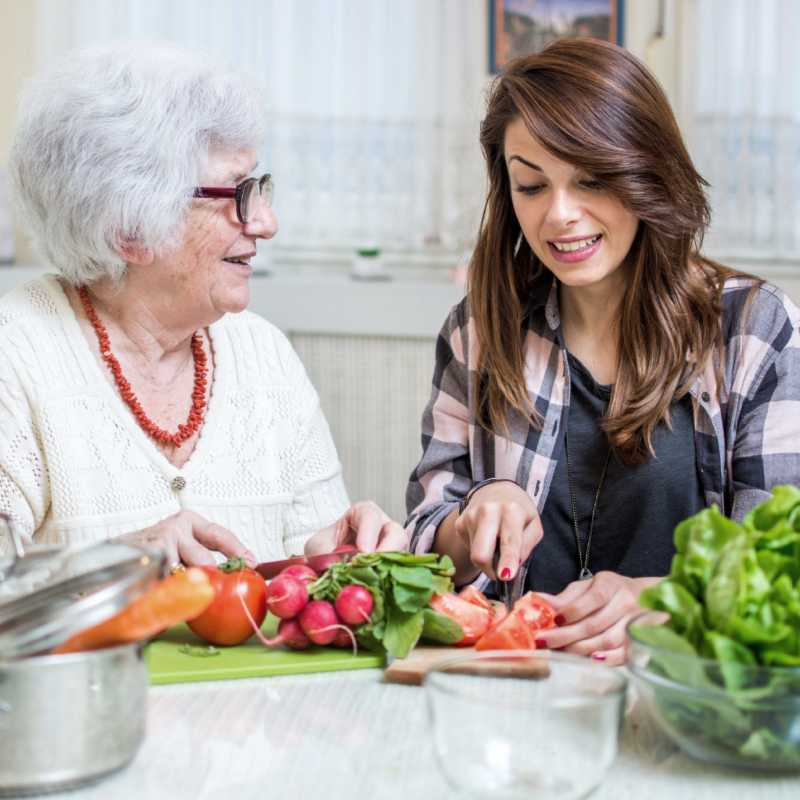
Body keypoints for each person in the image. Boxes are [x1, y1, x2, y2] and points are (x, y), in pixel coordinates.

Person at [405, 39, 800, 664]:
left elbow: (785, 570)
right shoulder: (480, 329)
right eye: (532, 185)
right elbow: (422, 546)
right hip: (518, 698)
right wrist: (475, 512)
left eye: (591, 179)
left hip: (683, 702)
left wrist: (666, 600)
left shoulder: (752, 329)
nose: (560, 215)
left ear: (646, 170)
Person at [2, 40, 408, 569]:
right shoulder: (17, 352)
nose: (266, 222)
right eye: (238, 193)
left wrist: (330, 560)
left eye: (259, 186)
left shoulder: (264, 354)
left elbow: (312, 564)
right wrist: (118, 562)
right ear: (130, 229)